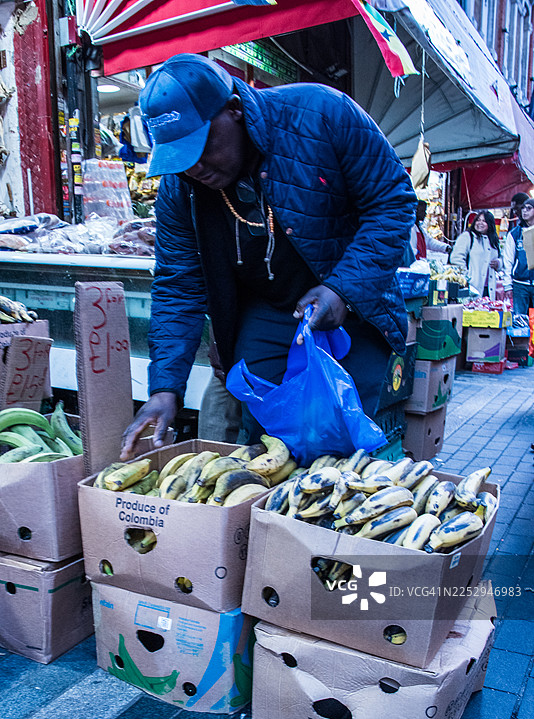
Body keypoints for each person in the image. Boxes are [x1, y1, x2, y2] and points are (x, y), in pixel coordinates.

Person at [120, 54, 416, 459]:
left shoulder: (321, 113)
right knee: (266, 445)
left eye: (202, 146)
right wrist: (165, 387)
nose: (194, 167)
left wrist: (342, 290)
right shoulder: (180, 188)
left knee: (352, 440)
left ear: (235, 109)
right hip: (268, 308)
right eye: (181, 157)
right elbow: (178, 286)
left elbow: (393, 204)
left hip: (356, 304)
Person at [449, 211, 502, 299]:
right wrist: (467, 277)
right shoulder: (467, 236)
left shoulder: (493, 241)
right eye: (478, 220)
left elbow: (500, 258)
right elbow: (456, 258)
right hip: (471, 286)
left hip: (488, 288)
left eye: (484, 221)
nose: (480, 223)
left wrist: (499, 263)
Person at [502, 197, 534, 314]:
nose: (525, 211)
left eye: (529, 208)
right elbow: (508, 260)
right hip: (520, 284)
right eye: (523, 208)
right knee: (519, 320)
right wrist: (507, 285)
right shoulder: (515, 234)